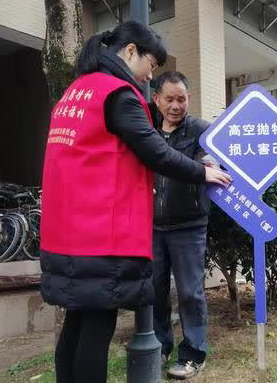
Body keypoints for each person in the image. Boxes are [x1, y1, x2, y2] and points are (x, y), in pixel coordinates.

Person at [39, 21, 231, 383]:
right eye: (150, 65)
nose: (148, 76)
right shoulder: (117, 93)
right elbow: (155, 151)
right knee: (96, 327)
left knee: (76, 323)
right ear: (130, 52)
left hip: (65, 232)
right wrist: (200, 172)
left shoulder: (75, 92)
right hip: (100, 234)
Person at [150, 71, 212, 379]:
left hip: (189, 225)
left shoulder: (201, 131)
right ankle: (160, 347)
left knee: (190, 293)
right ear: (156, 99)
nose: (176, 106)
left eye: (182, 99)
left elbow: (213, 165)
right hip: (151, 227)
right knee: (154, 291)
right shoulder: (146, 131)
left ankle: (193, 353)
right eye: (170, 99)